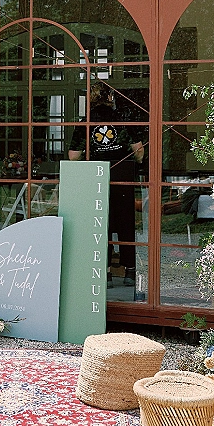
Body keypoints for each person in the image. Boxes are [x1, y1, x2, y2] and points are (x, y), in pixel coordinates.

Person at [68, 82, 144, 287]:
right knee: (127, 223)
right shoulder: (121, 120)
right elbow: (138, 150)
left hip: (96, 178)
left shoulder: (85, 123)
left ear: (90, 99)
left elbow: (73, 156)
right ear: (110, 97)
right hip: (123, 177)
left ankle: (106, 272)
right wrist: (135, 162)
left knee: (102, 224)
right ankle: (129, 271)